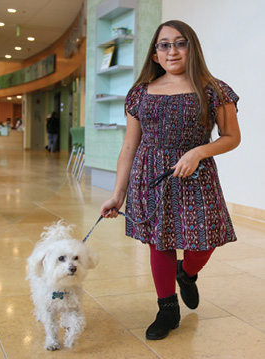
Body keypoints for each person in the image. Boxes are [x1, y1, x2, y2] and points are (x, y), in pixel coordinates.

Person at [100, 20, 241, 340]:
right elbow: (129, 146)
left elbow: (232, 137)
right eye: (164, 45)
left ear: (192, 48)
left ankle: (187, 273)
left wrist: (198, 153)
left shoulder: (214, 89)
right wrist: (117, 194)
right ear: (155, 54)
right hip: (150, 175)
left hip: (197, 174)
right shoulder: (140, 93)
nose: (172, 50)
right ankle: (167, 309)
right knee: (159, 242)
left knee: (206, 240)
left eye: (180, 43)